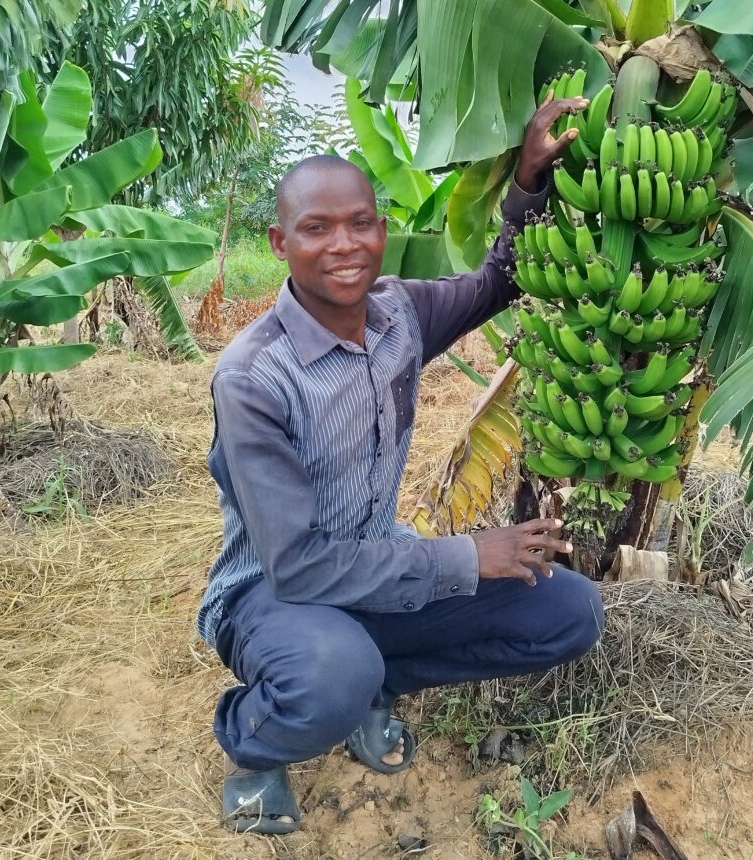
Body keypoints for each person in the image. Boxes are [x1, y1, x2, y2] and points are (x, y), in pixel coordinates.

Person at [197, 92, 604, 835]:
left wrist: (528, 181)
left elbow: (496, 283)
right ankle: (254, 743)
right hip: (270, 596)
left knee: (568, 612)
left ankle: (365, 683)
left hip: (379, 569)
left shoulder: (400, 315)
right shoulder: (253, 377)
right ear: (280, 241)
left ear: (382, 232)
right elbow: (299, 567)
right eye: (316, 229)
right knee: (331, 674)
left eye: (359, 224)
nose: (344, 244)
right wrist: (470, 556)